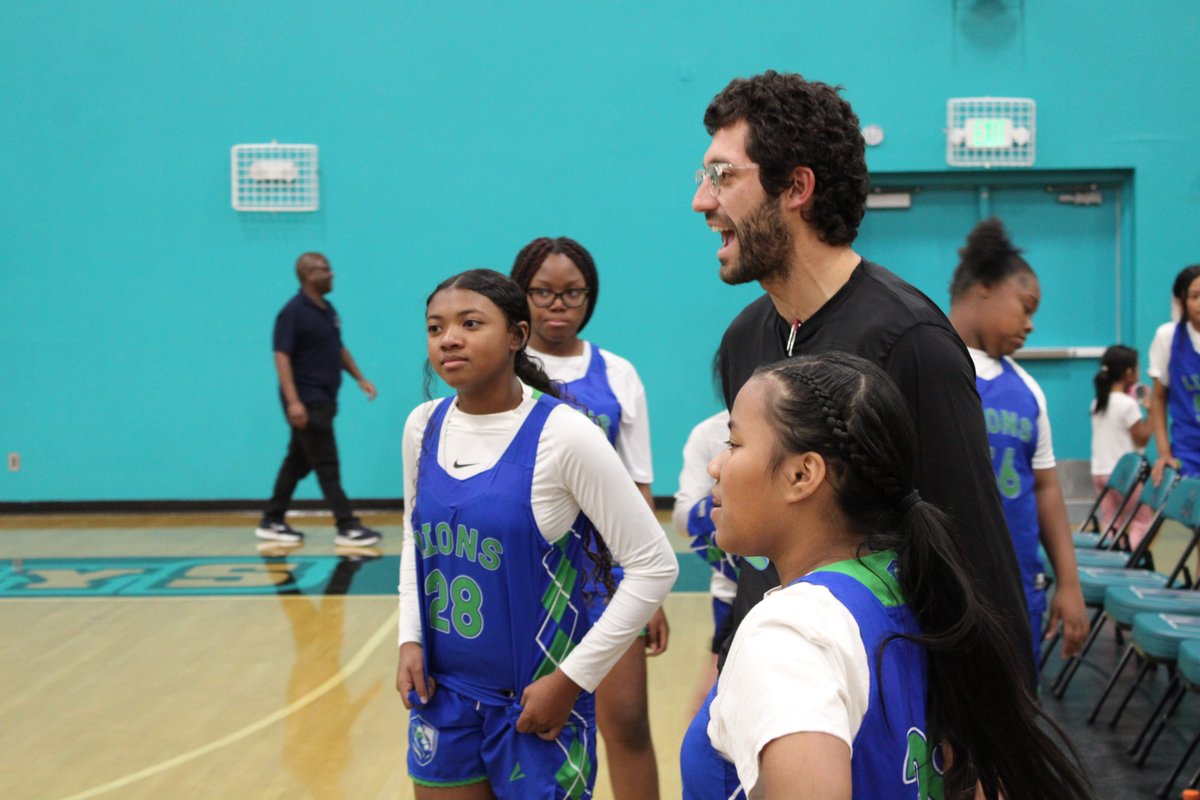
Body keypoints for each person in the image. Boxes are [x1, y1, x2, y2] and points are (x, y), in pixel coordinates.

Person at [689, 71, 1033, 680]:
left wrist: (990, 755)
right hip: (772, 674)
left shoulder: (912, 343)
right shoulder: (745, 338)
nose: (703, 200)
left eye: (722, 175)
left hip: (877, 700)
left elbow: (975, 560)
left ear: (795, 187)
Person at [679, 353, 1091, 800]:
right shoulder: (912, 585)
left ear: (802, 474)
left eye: (735, 444)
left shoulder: (790, 637)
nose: (716, 466)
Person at [395, 269, 677, 799]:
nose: (449, 338)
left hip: (536, 700)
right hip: (443, 694)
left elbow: (654, 566)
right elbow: (415, 540)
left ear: (516, 336)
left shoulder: (565, 434)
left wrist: (571, 680)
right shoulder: (422, 426)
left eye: (470, 323)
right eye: (435, 328)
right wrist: (410, 637)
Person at [509, 236, 666, 800]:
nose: (558, 304)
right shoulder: (503, 369)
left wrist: (651, 594)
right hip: (525, 577)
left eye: (572, 292)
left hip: (605, 577)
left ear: (590, 296)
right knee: (533, 729)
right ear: (519, 295)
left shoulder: (618, 373)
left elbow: (638, 488)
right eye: (543, 292)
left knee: (624, 722)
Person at [946, 218, 1088, 664]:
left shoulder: (1028, 391)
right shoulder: (926, 367)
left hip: (1017, 586)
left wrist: (1068, 582)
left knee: (1016, 716)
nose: (1029, 325)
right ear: (984, 287)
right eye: (1025, 307)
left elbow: (1045, 488)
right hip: (945, 586)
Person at [255, 252, 381, 547]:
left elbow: (338, 349)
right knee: (326, 463)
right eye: (326, 269)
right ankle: (347, 525)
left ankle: (272, 519)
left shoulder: (326, 310)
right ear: (309, 274)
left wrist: (360, 377)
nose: (332, 274)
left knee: (297, 463)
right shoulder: (293, 311)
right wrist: (293, 402)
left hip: (325, 397)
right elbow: (281, 356)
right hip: (306, 399)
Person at [672, 407, 736, 714]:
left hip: (794, 586)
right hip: (733, 596)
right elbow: (683, 519)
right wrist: (726, 501)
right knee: (711, 708)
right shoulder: (707, 434)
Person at [1090, 345, 1153, 546]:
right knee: (1142, 521)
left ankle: (1112, 560)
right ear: (1128, 373)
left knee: (1112, 522)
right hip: (1123, 475)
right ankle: (1132, 562)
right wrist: (1151, 412)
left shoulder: (1098, 403)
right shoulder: (1128, 405)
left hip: (1099, 472)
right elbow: (1141, 439)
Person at [1149, 264, 1200, 483]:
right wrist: (1164, 453)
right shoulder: (1167, 337)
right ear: (1182, 301)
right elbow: (1158, 399)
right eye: (1195, 296)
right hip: (1188, 452)